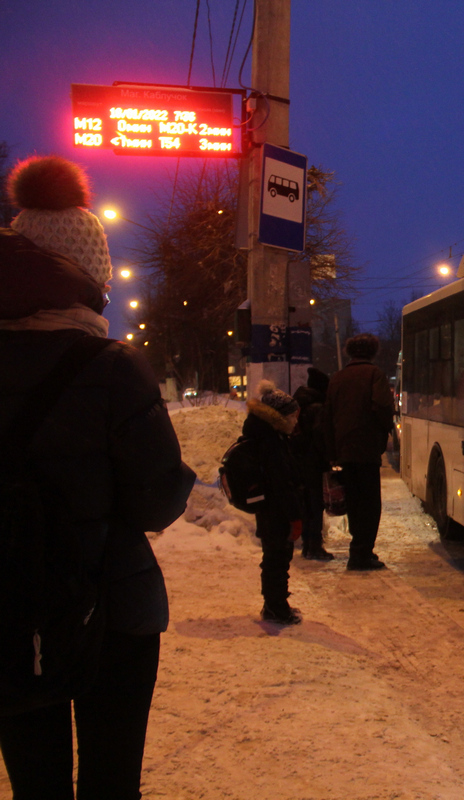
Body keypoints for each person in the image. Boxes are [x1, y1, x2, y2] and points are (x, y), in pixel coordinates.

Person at [0, 155, 195, 798]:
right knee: (111, 780)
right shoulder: (111, 367)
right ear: (88, 277)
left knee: (36, 783)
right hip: (112, 605)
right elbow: (156, 499)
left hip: (9, 606)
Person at [323, 333, 393, 571]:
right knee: (370, 503)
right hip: (367, 451)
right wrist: (383, 434)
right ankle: (363, 553)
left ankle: (357, 550)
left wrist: (333, 450)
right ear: (372, 352)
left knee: (353, 501)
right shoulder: (375, 375)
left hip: (344, 451)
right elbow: (383, 408)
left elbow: (328, 416)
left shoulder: (338, 378)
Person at [244, 381, 306, 623]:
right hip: (276, 511)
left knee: (276, 557)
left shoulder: (267, 435)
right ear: (279, 416)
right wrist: (294, 516)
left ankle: (276, 603)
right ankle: (275, 606)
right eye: (292, 416)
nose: (296, 421)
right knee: (277, 558)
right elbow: (282, 485)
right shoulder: (271, 442)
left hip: (270, 509)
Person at [292, 367, 334, 561]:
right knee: (315, 505)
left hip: (298, 462)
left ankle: (307, 545)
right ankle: (315, 546)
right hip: (313, 463)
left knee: (306, 505)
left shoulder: (298, 404)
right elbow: (320, 438)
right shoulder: (317, 408)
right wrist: (328, 458)